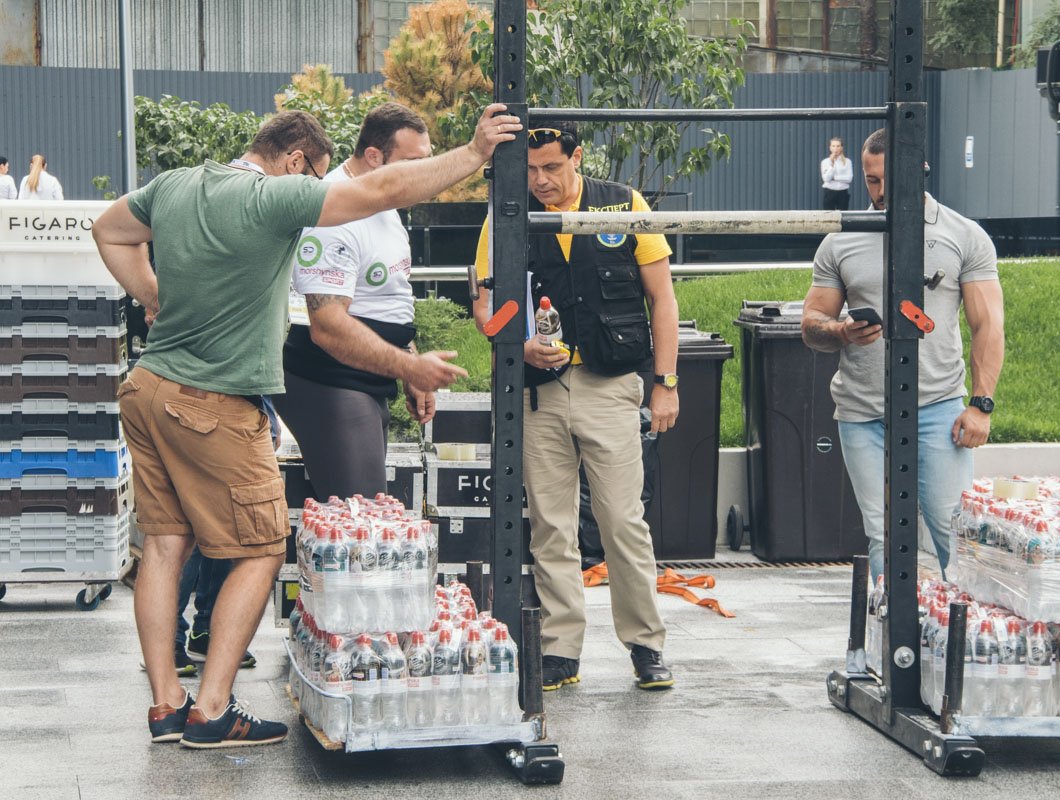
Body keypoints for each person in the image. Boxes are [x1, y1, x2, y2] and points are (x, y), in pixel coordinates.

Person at [91, 104, 521, 749]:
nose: (319, 192)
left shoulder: (176, 183)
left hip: (148, 387)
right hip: (213, 400)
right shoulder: (272, 198)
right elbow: (379, 188)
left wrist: (155, 297)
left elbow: (108, 230)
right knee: (263, 548)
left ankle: (165, 705)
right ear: (296, 162)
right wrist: (473, 154)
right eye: (317, 176)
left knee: (163, 545)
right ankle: (211, 711)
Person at [471, 121, 679, 692]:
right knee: (551, 528)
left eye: (551, 168)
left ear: (577, 158)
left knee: (622, 520)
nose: (539, 181)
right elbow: (483, 300)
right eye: (530, 171)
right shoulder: (505, 213)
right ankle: (561, 651)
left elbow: (661, 298)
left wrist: (665, 382)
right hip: (538, 391)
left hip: (610, 384)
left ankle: (645, 646)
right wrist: (511, 343)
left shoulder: (623, 204)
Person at [801, 127, 1005, 580]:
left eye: (888, 179)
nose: (880, 192)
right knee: (883, 535)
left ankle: (966, 640)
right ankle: (888, 638)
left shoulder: (964, 236)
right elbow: (811, 326)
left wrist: (981, 403)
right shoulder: (841, 241)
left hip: (937, 407)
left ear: (918, 171)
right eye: (871, 181)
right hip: (863, 411)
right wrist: (840, 331)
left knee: (954, 532)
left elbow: (987, 325)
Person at [274, 103, 435, 499]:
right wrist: (409, 365)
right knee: (360, 524)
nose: (426, 177)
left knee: (361, 524)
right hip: (329, 381)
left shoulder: (386, 201)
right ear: (374, 157)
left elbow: (386, 299)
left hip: (368, 379)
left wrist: (409, 366)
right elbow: (328, 326)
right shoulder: (335, 210)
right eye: (413, 164)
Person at [820, 137, 853, 211]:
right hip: (829, 192)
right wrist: (832, 164)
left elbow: (849, 178)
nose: (836, 148)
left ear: (841, 148)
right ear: (830, 148)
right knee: (828, 216)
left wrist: (834, 178)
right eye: (833, 146)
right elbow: (826, 178)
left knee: (843, 216)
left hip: (843, 192)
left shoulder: (847, 162)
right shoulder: (825, 162)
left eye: (838, 146)